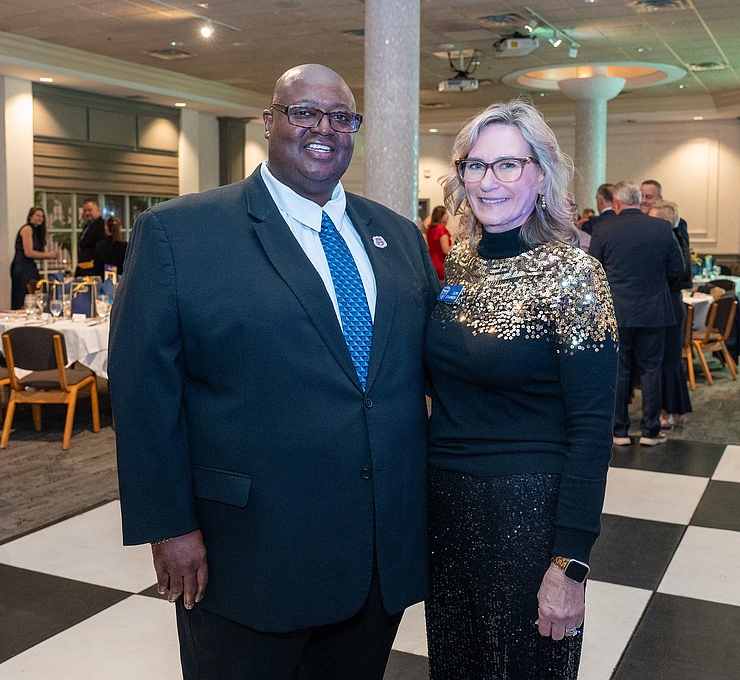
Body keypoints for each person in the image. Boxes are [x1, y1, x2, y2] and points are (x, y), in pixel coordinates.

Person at [109, 63, 439, 680]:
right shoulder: (181, 234)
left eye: (341, 117)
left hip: (375, 554)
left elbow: (413, 375)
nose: (324, 128)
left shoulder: (398, 236)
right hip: (249, 554)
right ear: (269, 122)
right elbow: (143, 391)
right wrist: (170, 526)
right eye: (303, 112)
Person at [424, 99, 618, 678]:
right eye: (475, 165)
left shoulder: (575, 273)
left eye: (508, 164)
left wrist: (571, 562)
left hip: (528, 514)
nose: (489, 181)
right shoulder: (458, 266)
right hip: (447, 510)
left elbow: (591, 427)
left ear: (541, 174)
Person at [590, 181, 685, 447]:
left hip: (617, 311)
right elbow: (678, 269)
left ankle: (618, 431)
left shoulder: (603, 228)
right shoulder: (661, 228)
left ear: (617, 203)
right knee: (651, 370)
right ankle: (649, 431)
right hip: (654, 311)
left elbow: (594, 270)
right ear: (637, 200)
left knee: (619, 370)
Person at [649, 199, 692, 427]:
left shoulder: (672, 240)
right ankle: (675, 409)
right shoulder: (675, 239)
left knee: (668, 360)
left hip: (670, 304)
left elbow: (679, 273)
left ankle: (667, 410)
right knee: (670, 360)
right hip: (671, 303)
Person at [9, 206, 59, 309]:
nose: (40, 218)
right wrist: (49, 255)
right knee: (23, 295)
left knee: (35, 292)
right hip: (22, 266)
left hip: (30, 265)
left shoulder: (36, 231)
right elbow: (28, 252)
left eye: (42, 216)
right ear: (30, 216)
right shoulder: (27, 229)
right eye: (37, 215)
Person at [640, 179, 689, 245]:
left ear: (660, 198)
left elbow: (683, 252)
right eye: (641, 196)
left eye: (649, 197)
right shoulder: (635, 222)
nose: (643, 200)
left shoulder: (678, 223)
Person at [74, 200, 106, 276]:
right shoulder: (87, 226)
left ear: (98, 210)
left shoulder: (102, 226)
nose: (87, 213)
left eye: (89, 210)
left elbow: (101, 248)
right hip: (83, 267)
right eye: (85, 211)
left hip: (93, 268)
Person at [426, 205, 453, 281]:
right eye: (445, 214)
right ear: (441, 216)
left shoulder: (430, 230)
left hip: (431, 263)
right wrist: (456, 246)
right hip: (441, 264)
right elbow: (446, 250)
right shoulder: (441, 229)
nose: (447, 216)